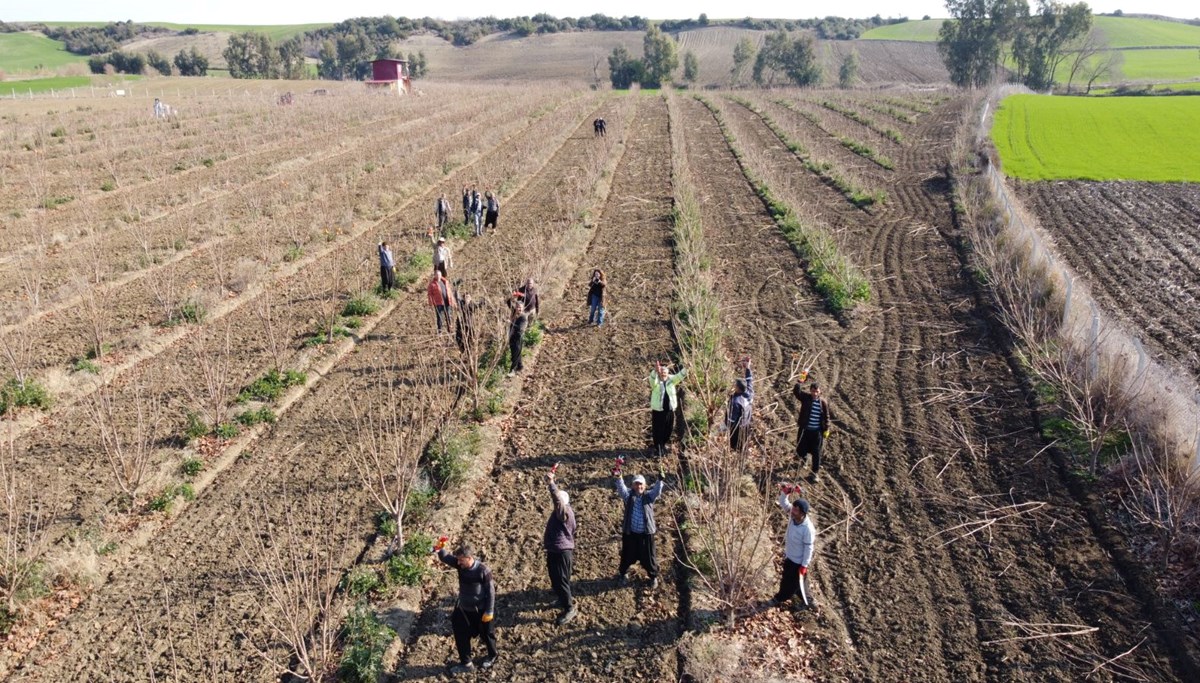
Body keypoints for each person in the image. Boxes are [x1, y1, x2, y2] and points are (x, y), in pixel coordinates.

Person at [435, 543, 498, 674]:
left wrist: (489, 611)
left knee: (487, 634)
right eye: (458, 560)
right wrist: (439, 549)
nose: (458, 563)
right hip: (463, 609)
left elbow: (491, 592)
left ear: (469, 558)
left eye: (461, 560)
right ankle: (466, 663)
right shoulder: (460, 565)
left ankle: (492, 655)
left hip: (480, 611)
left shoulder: (483, 570)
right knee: (460, 634)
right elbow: (446, 557)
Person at [614, 469, 666, 589]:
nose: (639, 486)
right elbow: (621, 489)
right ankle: (623, 574)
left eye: (641, 484)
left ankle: (653, 577)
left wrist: (660, 480)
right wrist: (619, 477)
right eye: (636, 484)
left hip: (645, 534)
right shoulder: (629, 496)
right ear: (632, 485)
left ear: (645, 486)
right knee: (627, 555)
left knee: (649, 557)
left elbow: (657, 491)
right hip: (631, 534)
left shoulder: (649, 497)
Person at [768, 490, 815, 610]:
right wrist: (785, 493)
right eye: (793, 509)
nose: (792, 512)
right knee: (794, 582)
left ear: (802, 513)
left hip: (798, 562)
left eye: (795, 510)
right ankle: (806, 600)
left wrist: (804, 565)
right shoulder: (793, 516)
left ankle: (781, 598)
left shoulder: (807, 529)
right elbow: (783, 503)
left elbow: (809, 548)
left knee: (792, 583)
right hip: (789, 557)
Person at [544, 470, 577, 625]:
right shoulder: (565, 513)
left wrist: (551, 484)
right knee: (556, 580)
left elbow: (557, 501)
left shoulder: (563, 513)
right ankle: (562, 599)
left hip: (560, 552)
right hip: (556, 550)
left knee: (561, 580)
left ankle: (569, 608)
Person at [794, 382, 834, 483]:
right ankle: (803, 460)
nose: (814, 393)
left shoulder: (823, 402)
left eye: (816, 391)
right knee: (801, 449)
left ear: (819, 391)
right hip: (805, 430)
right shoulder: (806, 398)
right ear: (810, 391)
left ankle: (814, 473)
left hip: (817, 433)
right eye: (813, 391)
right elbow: (796, 392)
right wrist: (800, 381)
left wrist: (827, 429)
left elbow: (826, 417)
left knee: (816, 453)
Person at [647, 361, 686, 458]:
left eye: (665, 373)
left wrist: (687, 367)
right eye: (662, 373)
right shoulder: (656, 382)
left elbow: (680, 375)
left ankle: (663, 444)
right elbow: (652, 380)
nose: (663, 375)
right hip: (658, 410)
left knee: (668, 428)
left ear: (668, 373)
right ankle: (658, 447)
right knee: (658, 429)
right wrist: (655, 371)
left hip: (669, 410)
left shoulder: (671, 380)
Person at [723, 357, 754, 452]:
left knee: (735, 446)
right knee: (743, 445)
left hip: (737, 429)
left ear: (738, 388)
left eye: (735, 385)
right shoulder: (749, 393)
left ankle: (735, 456)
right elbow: (749, 381)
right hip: (746, 425)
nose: (733, 385)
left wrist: (723, 427)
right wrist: (748, 368)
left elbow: (731, 420)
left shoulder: (735, 402)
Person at [506, 300, 529, 376]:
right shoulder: (514, 313)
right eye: (517, 307)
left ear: (523, 308)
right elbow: (508, 302)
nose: (518, 308)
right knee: (516, 352)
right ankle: (520, 366)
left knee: (515, 354)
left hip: (518, 337)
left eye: (520, 307)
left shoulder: (523, 317)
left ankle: (513, 370)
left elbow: (520, 328)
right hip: (512, 336)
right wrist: (513, 296)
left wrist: (511, 323)